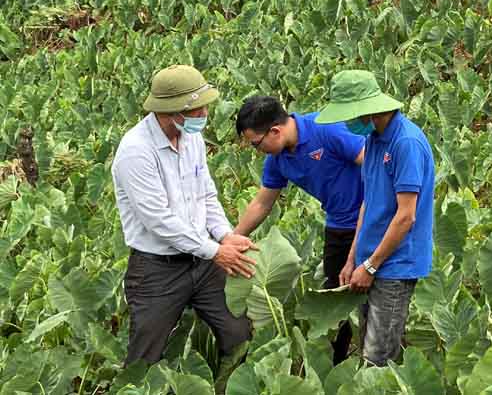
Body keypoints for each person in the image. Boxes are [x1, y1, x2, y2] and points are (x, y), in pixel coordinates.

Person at [111, 65, 257, 367]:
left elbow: (206, 194)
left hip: (203, 262)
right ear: (171, 111)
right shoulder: (136, 151)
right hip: (157, 270)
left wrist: (224, 234)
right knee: (144, 359)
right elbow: (158, 220)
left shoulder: (191, 139)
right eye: (197, 109)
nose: (204, 114)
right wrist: (216, 251)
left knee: (239, 333)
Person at [315, 70, 435, 367]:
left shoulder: (405, 143)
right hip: (370, 261)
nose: (346, 122)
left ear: (366, 108)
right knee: (368, 343)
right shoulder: (373, 139)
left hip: (394, 264)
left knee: (378, 356)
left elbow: (405, 216)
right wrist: (353, 258)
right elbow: (369, 203)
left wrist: (371, 264)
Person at [234, 95, 365, 364]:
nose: (257, 150)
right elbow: (262, 203)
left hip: (373, 220)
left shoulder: (325, 129)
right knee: (336, 301)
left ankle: (379, 361)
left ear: (275, 131)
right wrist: (233, 239)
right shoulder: (278, 158)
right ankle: (337, 368)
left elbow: (374, 164)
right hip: (339, 226)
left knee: (376, 295)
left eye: (256, 144)